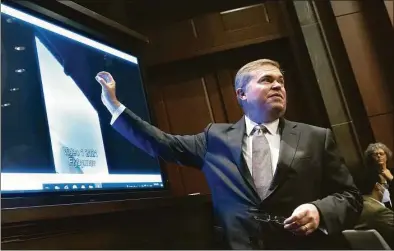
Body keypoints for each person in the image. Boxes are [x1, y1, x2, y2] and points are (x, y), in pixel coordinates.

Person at [95, 59, 363, 249]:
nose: (278, 85)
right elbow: (163, 143)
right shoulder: (215, 139)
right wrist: (114, 106)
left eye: (281, 81)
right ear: (241, 94)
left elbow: (350, 197)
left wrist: (319, 210)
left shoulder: (316, 137)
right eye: (267, 80)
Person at [356, 167, 394, 248]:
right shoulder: (378, 211)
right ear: (377, 186)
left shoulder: (357, 206)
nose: (386, 189)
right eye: (385, 185)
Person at [364, 143, 393, 209]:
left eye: (381, 154)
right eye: (375, 154)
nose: (379, 156)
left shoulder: (392, 172)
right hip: (380, 209)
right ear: (371, 158)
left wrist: (391, 178)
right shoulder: (368, 177)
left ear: (386, 156)